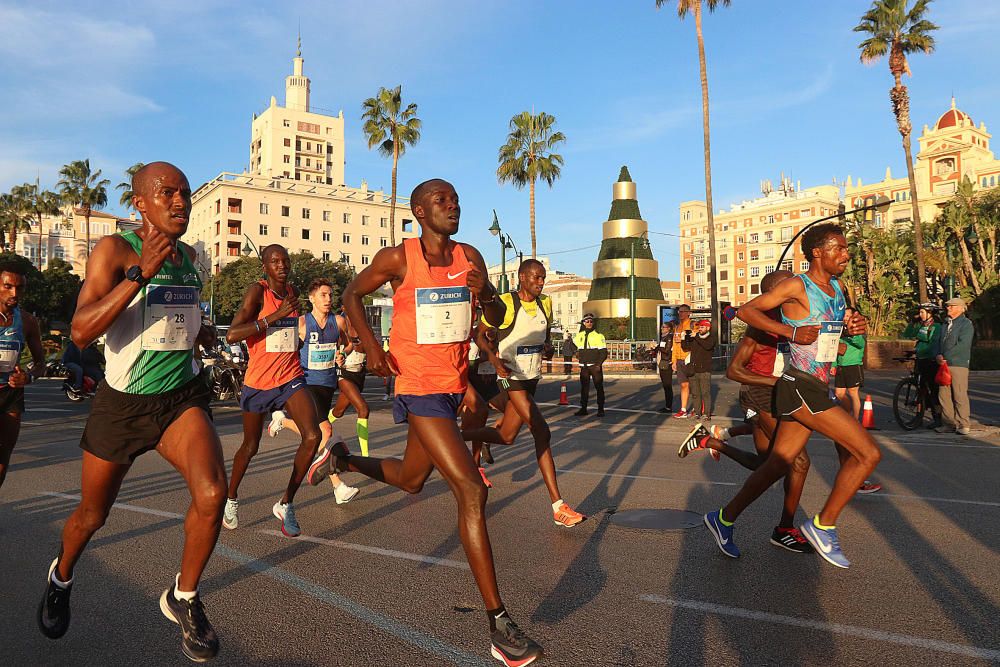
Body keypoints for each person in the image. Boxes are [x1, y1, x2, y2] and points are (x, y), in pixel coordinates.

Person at [311, 178, 543, 665]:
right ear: (420, 211)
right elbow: (353, 295)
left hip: (455, 385)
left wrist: (487, 294)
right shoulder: (400, 259)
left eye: (457, 199)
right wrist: (374, 349)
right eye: (442, 200)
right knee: (472, 491)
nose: (453, 205)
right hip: (417, 387)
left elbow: (498, 319)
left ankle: (345, 460)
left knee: (413, 480)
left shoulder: (471, 257)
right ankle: (499, 624)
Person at [38, 162, 225, 661]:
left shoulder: (189, 258)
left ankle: (183, 597)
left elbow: (180, 317)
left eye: (184, 193)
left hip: (179, 398)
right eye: (168, 193)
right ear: (140, 203)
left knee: (212, 492)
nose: (180, 201)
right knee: (91, 516)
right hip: (122, 405)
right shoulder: (116, 251)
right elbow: (81, 330)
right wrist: (141, 276)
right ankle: (61, 575)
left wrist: (200, 329)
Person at [703, 223, 880, 569]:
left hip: (818, 383)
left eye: (846, 249)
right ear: (818, 252)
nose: (846, 255)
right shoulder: (798, 285)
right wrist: (790, 330)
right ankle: (823, 525)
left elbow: (833, 330)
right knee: (868, 454)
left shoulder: (837, 288)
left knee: (777, 464)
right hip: (800, 385)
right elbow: (745, 310)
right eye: (839, 249)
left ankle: (722, 518)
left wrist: (852, 327)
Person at [678, 270, 814, 553]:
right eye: (791, 284)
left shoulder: (799, 319)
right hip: (761, 394)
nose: (798, 287)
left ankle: (710, 442)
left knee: (765, 465)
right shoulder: (760, 325)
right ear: (775, 293)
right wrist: (777, 381)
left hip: (786, 395)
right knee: (797, 461)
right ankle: (784, 528)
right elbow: (734, 370)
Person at [462, 258, 586, 528]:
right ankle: (558, 506)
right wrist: (495, 362)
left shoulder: (546, 304)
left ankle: (452, 436)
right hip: (509, 379)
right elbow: (480, 336)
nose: (541, 282)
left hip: (531, 379)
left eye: (543, 278)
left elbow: (543, 338)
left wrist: (548, 349)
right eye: (535, 277)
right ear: (521, 277)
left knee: (506, 436)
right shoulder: (505, 303)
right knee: (542, 431)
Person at [223, 244, 321, 537]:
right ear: (265, 266)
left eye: (285, 260)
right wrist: (273, 317)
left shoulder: (292, 293)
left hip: (290, 377)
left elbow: (286, 333)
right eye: (275, 261)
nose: (282, 265)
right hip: (259, 382)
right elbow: (232, 334)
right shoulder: (258, 292)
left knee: (313, 435)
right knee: (250, 447)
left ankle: (286, 502)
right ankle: (231, 498)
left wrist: (296, 341)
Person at [267, 278, 358, 503]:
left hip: (327, 383)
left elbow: (348, 344)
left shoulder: (338, 322)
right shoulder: (301, 324)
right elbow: (283, 348)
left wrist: (342, 355)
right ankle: (337, 486)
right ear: (312, 298)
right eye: (323, 295)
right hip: (306, 383)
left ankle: (283, 421)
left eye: (330, 295)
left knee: (314, 434)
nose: (328, 299)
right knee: (324, 432)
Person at [0, 262, 45, 488]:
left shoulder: (27, 321)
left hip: (11, 393)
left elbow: (40, 364)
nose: (14, 293)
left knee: (3, 459)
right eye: (8, 286)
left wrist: (28, 377)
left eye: (20, 288)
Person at [327, 330, 371, 456]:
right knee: (363, 409)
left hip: (359, 375)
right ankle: (365, 455)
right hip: (345, 375)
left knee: (338, 412)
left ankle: (320, 424)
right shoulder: (341, 331)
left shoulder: (365, 329)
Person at [936, 297, 974, 435]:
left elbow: (963, 345)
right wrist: (938, 355)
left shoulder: (966, 324)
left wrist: (946, 356)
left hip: (958, 364)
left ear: (960, 308)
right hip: (943, 364)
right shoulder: (945, 324)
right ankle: (948, 423)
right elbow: (939, 341)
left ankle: (963, 423)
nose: (948, 308)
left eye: (951, 306)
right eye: (948, 306)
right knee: (943, 395)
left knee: (959, 394)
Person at [903, 303, 942, 429]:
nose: (920, 315)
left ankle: (937, 417)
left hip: (931, 360)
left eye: (922, 312)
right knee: (920, 388)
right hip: (920, 358)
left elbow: (931, 342)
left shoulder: (936, 326)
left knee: (932, 389)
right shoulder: (921, 325)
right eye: (919, 312)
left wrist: (920, 348)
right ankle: (918, 417)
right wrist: (912, 322)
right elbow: (907, 334)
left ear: (930, 313)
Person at [833, 306, 865, 419]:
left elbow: (860, 344)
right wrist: (834, 365)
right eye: (844, 316)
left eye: (847, 315)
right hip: (841, 366)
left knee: (853, 393)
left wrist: (851, 334)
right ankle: (847, 415)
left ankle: (855, 420)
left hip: (853, 366)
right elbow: (836, 348)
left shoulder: (857, 330)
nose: (845, 318)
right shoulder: (840, 330)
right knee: (838, 394)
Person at [572, 313, 607, 417]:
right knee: (584, 389)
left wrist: (598, 364)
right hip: (584, 366)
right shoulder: (580, 335)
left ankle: (601, 409)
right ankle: (583, 409)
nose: (589, 323)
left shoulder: (599, 336)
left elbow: (603, 352)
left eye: (591, 321)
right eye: (587, 321)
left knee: (599, 388)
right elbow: (571, 344)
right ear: (583, 323)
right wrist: (576, 352)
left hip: (594, 366)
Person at [681, 319, 716, 420]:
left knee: (705, 393)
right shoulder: (695, 338)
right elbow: (686, 348)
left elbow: (707, 346)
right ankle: (697, 413)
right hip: (693, 369)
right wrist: (684, 338)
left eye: (702, 327)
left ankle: (707, 414)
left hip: (705, 370)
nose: (700, 329)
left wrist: (696, 337)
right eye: (699, 327)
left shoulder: (711, 338)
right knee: (695, 393)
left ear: (707, 328)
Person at [671, 304, 694, 418]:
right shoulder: (677, 327)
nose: (681, 314)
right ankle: (683, 409)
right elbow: (675, 345)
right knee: (683, 385)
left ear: (689, 313)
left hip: (690, 358)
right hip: (679, 359)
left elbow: (697, 340)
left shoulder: (693, 325)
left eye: (683, 311)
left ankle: (698, 408)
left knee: (695, 385)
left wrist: (685, 339)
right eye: (679, 312)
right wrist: (674, 361)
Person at [652, 320, 675, 413]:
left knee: (667, 385)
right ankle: (667, 405)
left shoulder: (669, 337)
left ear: (668, 328)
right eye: (661, 327)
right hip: (662, 362)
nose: (662, 329)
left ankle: (668, 406)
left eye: (664, 327)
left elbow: (667, 350)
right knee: (665, 386)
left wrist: (656, 347)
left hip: (666, 362)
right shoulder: (664, 337)